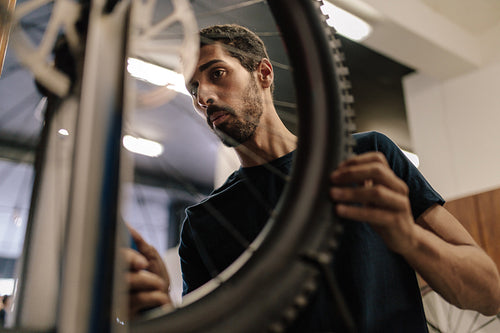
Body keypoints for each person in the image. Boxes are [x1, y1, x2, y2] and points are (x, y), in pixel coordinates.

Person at [174, 24, 500, 332]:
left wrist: (409, 239)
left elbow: (488, 293)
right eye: (193, 88)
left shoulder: (368, 155)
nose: (204, 96)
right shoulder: (202, 224)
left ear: (263, 73)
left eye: (217, 74)